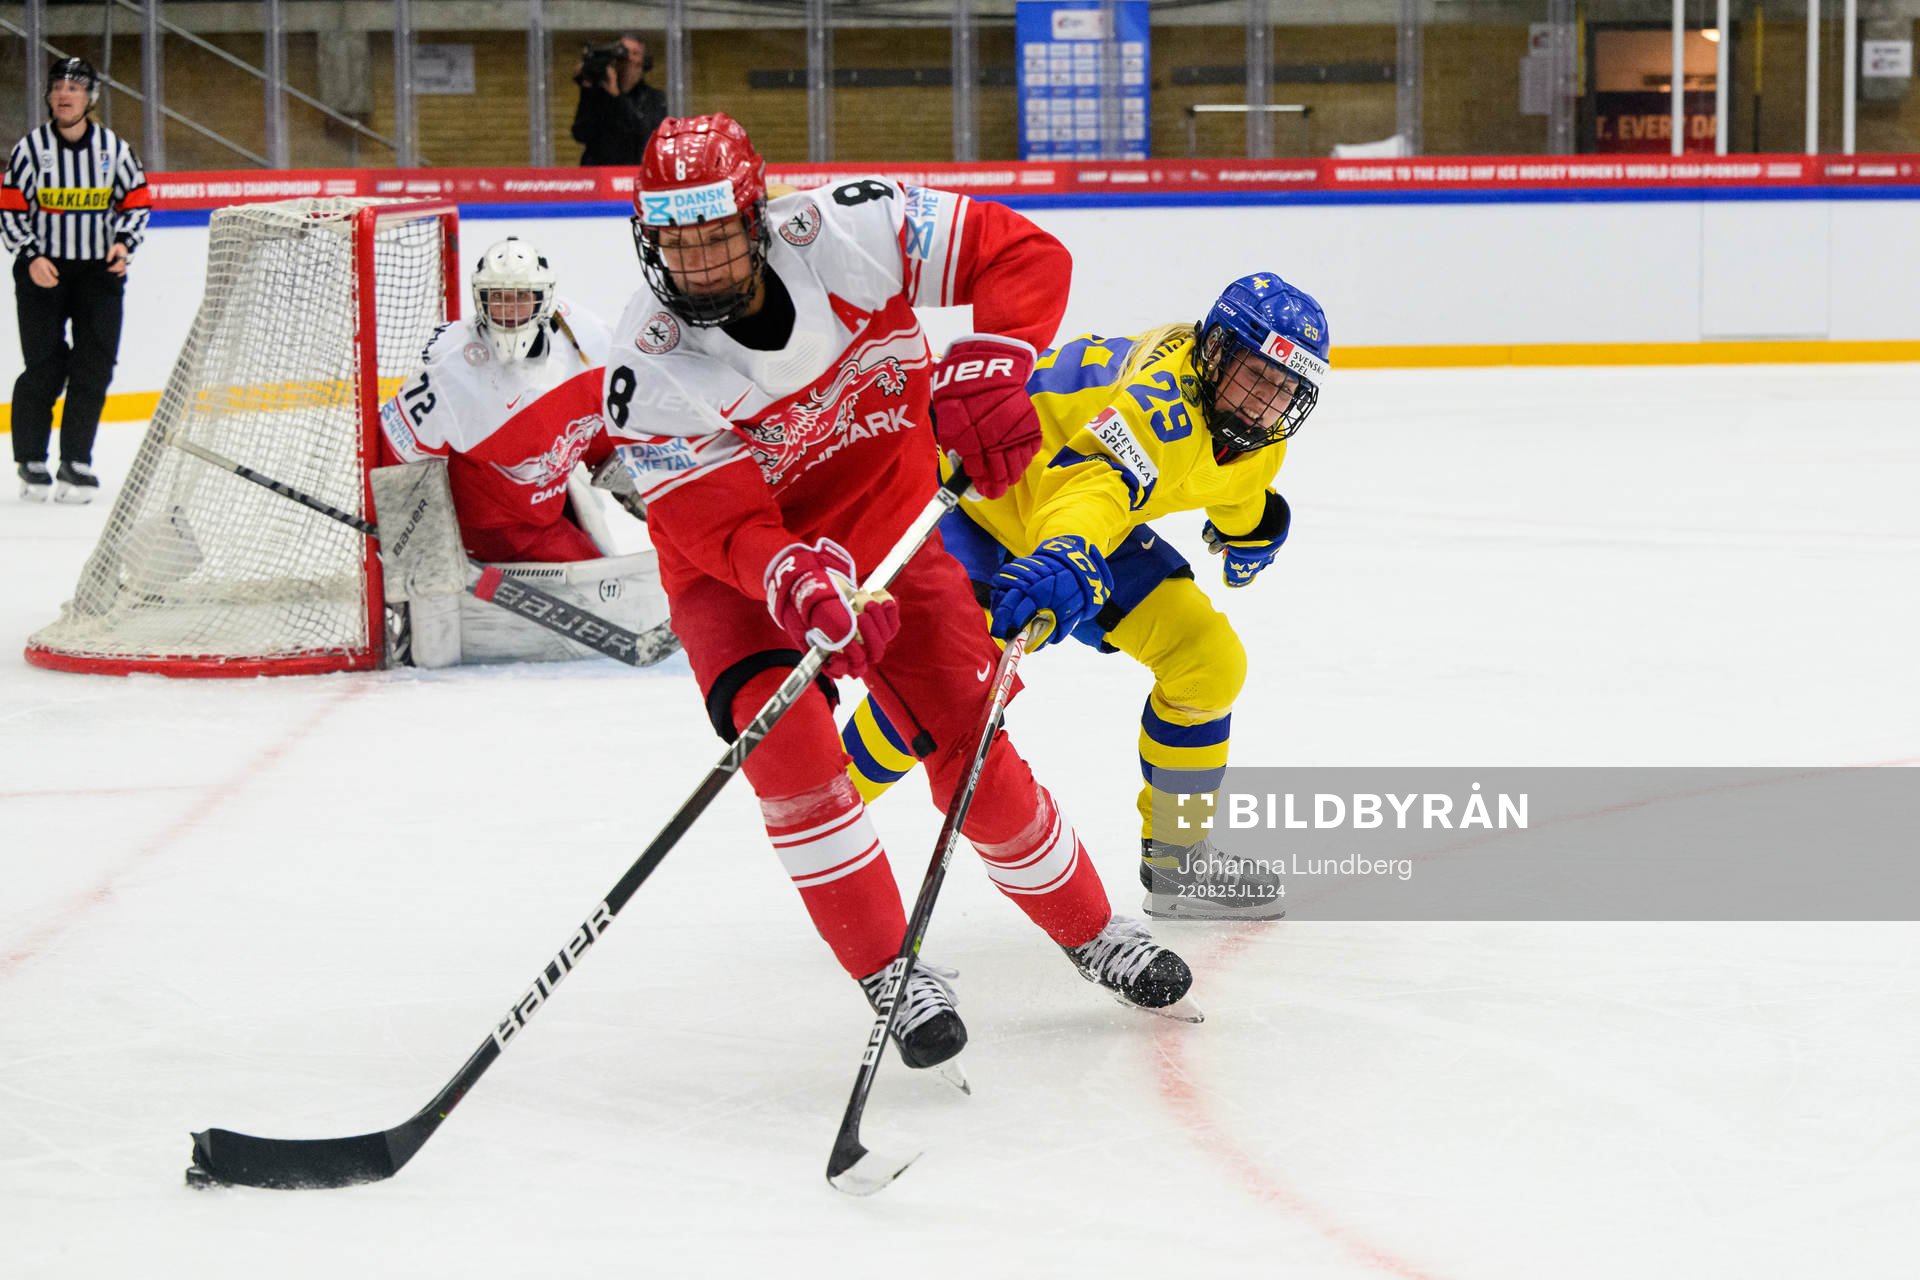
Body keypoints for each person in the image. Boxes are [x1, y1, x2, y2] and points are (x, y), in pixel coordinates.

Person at [603, 113, 1195, 1073]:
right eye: (675, 242)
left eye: (715, 235)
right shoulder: (649, 358)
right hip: (745, 576)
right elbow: (710, 520)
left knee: (974, 749)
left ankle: (1090, 931)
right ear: (648, 237)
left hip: (892, 537)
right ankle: (889, 969)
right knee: (789, 755)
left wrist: (1000, 354)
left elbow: (1023, 253)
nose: (699, 264)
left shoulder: (852, 229)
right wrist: (790, 575)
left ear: (758, 215)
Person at [839, 272, 1331, 922]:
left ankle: (1177, 862)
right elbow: (1093, 478)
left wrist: (1255, 531)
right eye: (1253, 374)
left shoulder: (1260, 444)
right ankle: (829, 804)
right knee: (951, 689)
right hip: (982, 495)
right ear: (1216, 352)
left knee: (1208, 662)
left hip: (1081, 526)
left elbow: (1233, 489)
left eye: (1282, 389)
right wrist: (1066, 549)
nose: (1262, 401)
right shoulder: (1160, 404)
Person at [376, 235, 665, 667]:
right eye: (498, 301)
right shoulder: (451, 372)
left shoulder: (591, 342)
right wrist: (424, 552)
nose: (510, 313)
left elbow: (602, 430)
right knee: (600, 614)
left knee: (612, 596)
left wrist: (648, 489)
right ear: (480, 301)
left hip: (547, 509)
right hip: (485, 536)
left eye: (521, 299)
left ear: (544, 300)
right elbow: (395, 457)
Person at [3, 57, 149, 503]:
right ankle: (31, 457)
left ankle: (76, 461)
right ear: (49, 96)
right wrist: (30, 254)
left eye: (75, 87)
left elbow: (138, 201)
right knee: (45, 364)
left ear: (90, 97)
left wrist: (124, 244)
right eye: (58, 87)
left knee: (94, 365)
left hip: (97, 274)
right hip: (43, 271)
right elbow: (10, 207)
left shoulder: (114, 150)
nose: (65, 94)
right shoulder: (30, 150)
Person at [570, 33, 668, 168]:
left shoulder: (655, 99)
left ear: (643, 61)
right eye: (623, 53)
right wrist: (588, 90)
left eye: (634, 53)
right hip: (598, 172)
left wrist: (617, 97)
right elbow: (580, 133)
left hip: (632, 172)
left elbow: (643, 134)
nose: (627, 59)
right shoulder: (599, 94)